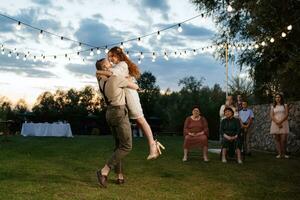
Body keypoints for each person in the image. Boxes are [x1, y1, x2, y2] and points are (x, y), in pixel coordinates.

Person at [96, 47, 165, 160]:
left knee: (140, 120)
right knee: (138, 122)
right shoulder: (117, 66)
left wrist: (98, 71)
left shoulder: (122, 64)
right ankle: (152, 144)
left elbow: (112, 74)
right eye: (108, 58)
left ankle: (153, 145)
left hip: (130, 95)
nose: (110, 59)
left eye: (111, 57)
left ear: (117, 56)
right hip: (125, 97)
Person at [95, 58, 139, 188]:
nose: (112, 64)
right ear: (105, 67)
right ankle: (104, 171)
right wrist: (129, 80)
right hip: (119, 112)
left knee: (118, 146)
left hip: (109, 113)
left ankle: (119, 175)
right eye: (108, 63)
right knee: (126, 146)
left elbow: (99, 73)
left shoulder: (100, 81)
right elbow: (135, 87)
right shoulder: (115, 79)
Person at [270, 93, 289, 159]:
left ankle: (284, 154)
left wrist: (280, 122)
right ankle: (279, 154)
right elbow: (271, 116)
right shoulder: (273, 106)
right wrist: (277, 122)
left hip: (283, 123)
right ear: (275, 99)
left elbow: (286, 115)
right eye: (276, 97)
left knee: (283, 140)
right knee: (277, 139)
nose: (277, 98)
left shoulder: (285, 105)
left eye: (279, 97)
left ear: (281, 98)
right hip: (275, 123)